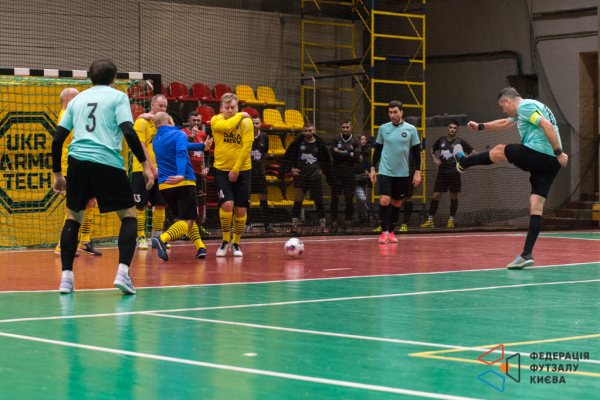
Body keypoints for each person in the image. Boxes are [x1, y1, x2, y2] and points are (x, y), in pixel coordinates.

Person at [52, 58, 154, 294]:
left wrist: (58, 174)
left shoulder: (76, 100)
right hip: (107, 161)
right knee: (129, 216)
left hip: (77, 163)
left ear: (90, 77)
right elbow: (128, 131)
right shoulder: (118, 97)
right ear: (114, 78)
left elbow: (57, 139)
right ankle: (123, 272)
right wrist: (145, 165)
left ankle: (66, 278)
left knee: (73, 218)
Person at [454, 87, 568, 269]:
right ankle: (526, 254)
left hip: (540, 153)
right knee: (536, 206)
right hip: (550, 164)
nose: (503, 110)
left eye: (502, 106)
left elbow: (547, 126)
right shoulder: (529, 108)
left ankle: (463, 163)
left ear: (508, 101)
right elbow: (505, 123)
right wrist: (480, 126)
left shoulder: (524, 106)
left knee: (499, 150)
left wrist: (559, 152)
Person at [151, 112, 213, 260]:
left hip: (165, 186)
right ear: (169, 120)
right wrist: (181, 174)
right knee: (188, 220)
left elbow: (185, 145)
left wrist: (202, 146)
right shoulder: (179, 134)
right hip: (183, 183)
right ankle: (162, 239)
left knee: (187, 218)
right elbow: (180, 152)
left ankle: (201, 247)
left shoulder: (156, 140)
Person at [54, 88, 102, 257]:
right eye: (77, 97)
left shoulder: (75, 116)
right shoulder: (65, 117)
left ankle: (84, 242)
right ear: (67, 101)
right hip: (71, 167)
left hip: (85, 165)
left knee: (91, 202)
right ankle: (63, 244)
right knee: (74, 207)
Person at [370, 101, 421, 244]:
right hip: (385, 170)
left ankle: (391, 232)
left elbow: (417, 152)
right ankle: (383, 232)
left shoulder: (411, 129)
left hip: (402, 173)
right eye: (390, 112)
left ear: (401, 112)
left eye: (395, 112)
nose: (392, 115)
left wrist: (418, 172)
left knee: (397, 203)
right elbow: (378, 150)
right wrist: (373, 168)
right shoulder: (383, 128)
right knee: (384, 200)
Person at [210, 93, 253, 257]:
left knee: (241, 209)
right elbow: (228, 127)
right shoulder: (216, 120)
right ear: (221, 108)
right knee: (227, 204)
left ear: (237, 107)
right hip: (221, 169)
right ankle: (225, 240)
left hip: (243, 169)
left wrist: (236, 169)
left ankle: (235, 243)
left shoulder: (247, 123)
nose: (230, 110)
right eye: (227, 108)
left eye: (233, 107)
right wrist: (241, 114)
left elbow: (246, 147)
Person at [421, 119, 476, 228]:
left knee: (453, 196)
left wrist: (464, 160)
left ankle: (451, 220)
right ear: (447, 128)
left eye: (454, 128)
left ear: (457, 130)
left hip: (454, 173)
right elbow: (432, 149)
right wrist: (435, 159)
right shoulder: (441, 140)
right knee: (436, 195)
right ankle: (430, 220)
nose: (452, 129)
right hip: (442, 173)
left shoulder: (459, 142)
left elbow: (473, 152)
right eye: (450, 127)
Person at [281, 122, 334, 234]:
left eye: (310, 130)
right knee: (298, 200)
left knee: (319, 201)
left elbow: (326, 159)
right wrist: (292, 168)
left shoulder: (319, 143)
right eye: (305, 131)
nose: (307, 133)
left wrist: (323, 169)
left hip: (315, 176)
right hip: (300, 176)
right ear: (303, 131)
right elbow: (289, 156)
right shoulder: (297, 143)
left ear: (314, 130)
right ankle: (294, 226)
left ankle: (323, 226)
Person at [131, 94, 169, 250]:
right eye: (160, 106)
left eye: (165, 107)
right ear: (152, 105)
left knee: (160, 204)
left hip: (162, 170)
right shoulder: (141, 122)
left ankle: (158, 237)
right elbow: (141, 147)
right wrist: (152, 168)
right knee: (140, 205)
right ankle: (140, 237)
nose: (163, 109)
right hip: (142, 169)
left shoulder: (166, 122)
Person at [182, 110, 211, 237]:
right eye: (193, 120)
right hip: (185, 173)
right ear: (189, 120)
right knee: (186, 201)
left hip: (199, 174)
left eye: (198, 120)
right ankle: (185, 228)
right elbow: (182, 147)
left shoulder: (203, 134)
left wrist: (207, 167)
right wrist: (192, 136)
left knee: (200, 201)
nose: (196, 122)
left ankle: (198, 228)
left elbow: (207, 152)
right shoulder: (182, 133)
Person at [329, 119, 361, 233]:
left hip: (349, 175)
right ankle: (334, 223)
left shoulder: (355, 141)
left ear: (351, 127)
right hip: (336, 174)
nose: (345, 129)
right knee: (334, 198)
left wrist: (340, 152)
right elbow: (333, 153)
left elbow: (357, 156)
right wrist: (349, 154)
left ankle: (347, 223)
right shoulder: (335, 139)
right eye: (343, 127)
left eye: (347, 127)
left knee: (349, 199)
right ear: (340, 128)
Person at [248, 115, 274, 233]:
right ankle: (247, 224)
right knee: (246, 198)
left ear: (260, 124)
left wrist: (259, 164)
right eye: (253, 123)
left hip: (260, 172)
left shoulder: (264, 136)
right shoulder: (245, 135)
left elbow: (266, 153)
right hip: (247, 172)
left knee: (263, 197)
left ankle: (267, 224)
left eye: (257, 123)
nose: (255, 125)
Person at [354, 135, 371, 223]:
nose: (363, 141)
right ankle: (364, 217)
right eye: (361, 139)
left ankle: (358, 218)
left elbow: (369, 164)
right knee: (361, 198)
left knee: (361, 201)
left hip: (365, 179)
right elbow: (355, 165)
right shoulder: (355, 152)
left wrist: (369, 172)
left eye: (365, 139)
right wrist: (363, 170)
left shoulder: (368, 152)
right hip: (357, 179)